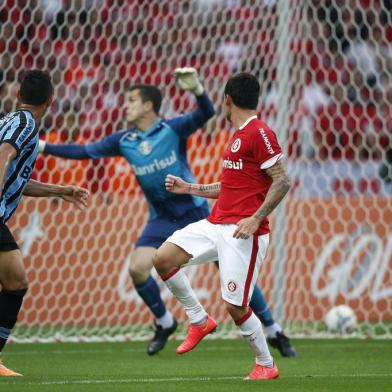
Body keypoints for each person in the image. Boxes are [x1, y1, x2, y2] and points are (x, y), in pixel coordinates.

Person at [39, 68, 296, 357]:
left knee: (234, 281)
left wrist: (198, 90)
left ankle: (274, 330)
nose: (125, 105)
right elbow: (84, 151)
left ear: (148, 105)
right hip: (161, 217)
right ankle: (166, 321)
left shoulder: (174, 128)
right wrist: (43, 146)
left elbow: (205, 113)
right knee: (139, 267)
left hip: (197, 212)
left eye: (132, 100)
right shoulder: (123, 140)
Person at [153, 72, 291, 380]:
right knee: (163, 258)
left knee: (235, 307)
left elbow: (282, 181)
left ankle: (266, 365)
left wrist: (255, 219)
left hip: (242, 233)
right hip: (215, 224)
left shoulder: (259, 132)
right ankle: (198, 319)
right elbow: (229, 187)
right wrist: (189, 188)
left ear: (227, 99)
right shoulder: (238, 134)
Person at [0, 70, 89, 377]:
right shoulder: (25, 124)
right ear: (52, 100)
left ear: (17, 95)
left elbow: (17, 180)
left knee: (14, 282)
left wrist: (59, 190)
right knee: (15, 282)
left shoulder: (9, 121)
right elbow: (4, 155)